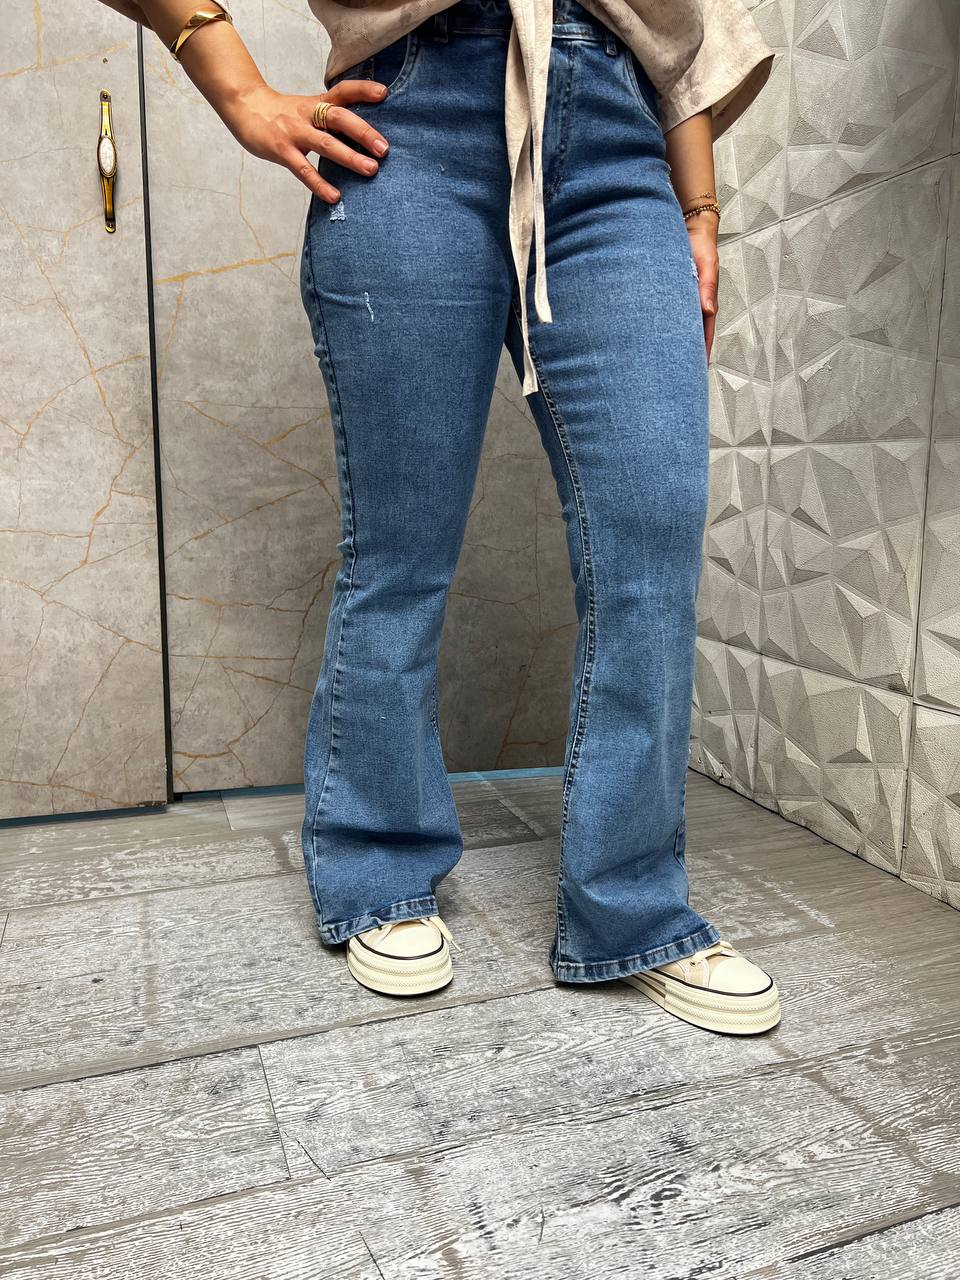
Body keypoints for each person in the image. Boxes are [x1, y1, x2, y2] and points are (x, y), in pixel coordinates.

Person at [98, 0, 781, 1035]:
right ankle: (378, 866)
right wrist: (236, 86)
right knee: (401, 549)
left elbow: (683, 36)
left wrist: (700, 207)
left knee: (652, 542)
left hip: (619, 145)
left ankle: (632, 906)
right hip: (413, 124)